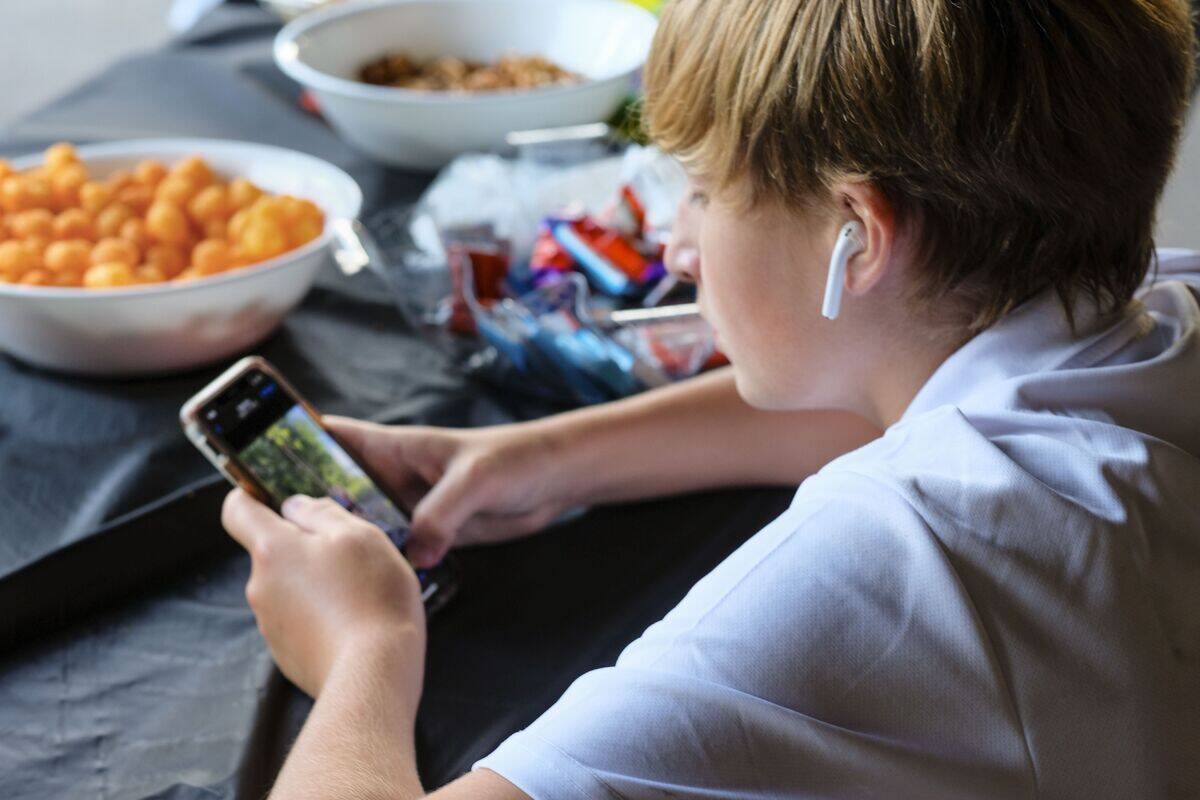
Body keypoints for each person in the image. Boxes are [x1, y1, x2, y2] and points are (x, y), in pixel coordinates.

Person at [221, 0, 1200, 796]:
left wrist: (364, 649)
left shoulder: (901, 557)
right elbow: (880, 401)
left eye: (699, 190)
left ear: (857, 234)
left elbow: (916, 487)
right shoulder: (1166, 305)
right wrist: (536, 458)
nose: (677, 246)